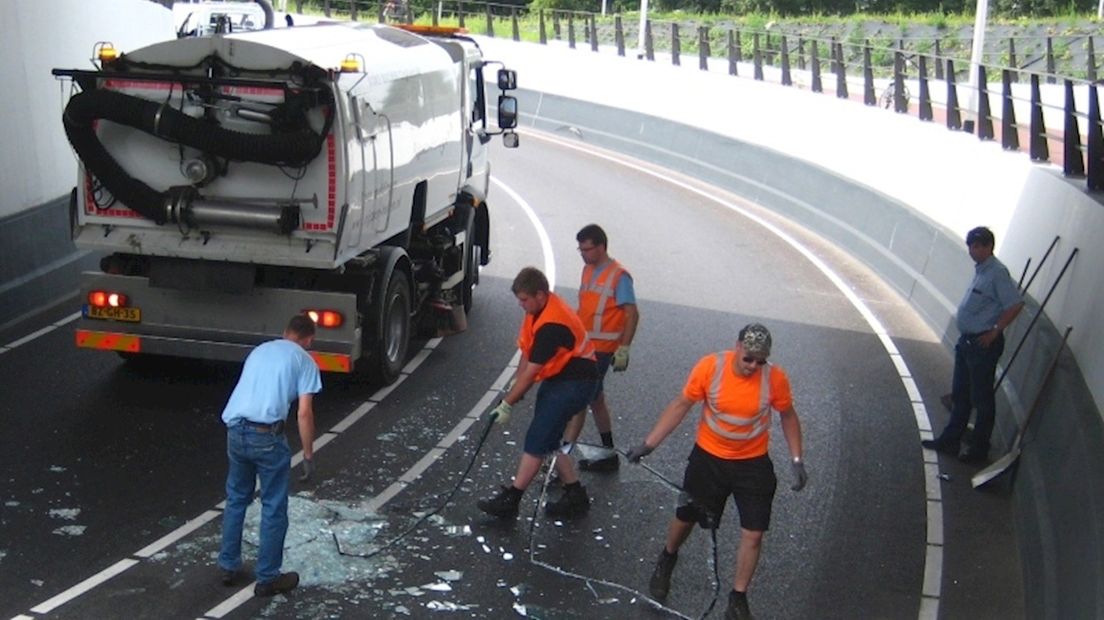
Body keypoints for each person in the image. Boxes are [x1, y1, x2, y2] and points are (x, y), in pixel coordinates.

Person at [627, 323, 806, 620]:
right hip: (708, 460)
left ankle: (737, 598)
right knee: (686, 518)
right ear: (737, 347)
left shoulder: (774, 379)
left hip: (753, 464)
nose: (753, 366)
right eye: (748, 358)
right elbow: (681, 404)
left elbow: (788, 415)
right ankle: (668, 557)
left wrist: (797, 459)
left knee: (754, 533)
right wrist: (649, 444)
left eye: (759, 361)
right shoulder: (711, 368)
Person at [477, 267, 600, 519]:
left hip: (576, 383)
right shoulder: (538, 312)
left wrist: (507, 403)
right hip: (563, 378)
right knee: (549, 437)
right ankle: (575, 495)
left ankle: (512, 499)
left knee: (538, 438)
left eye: (524, 299)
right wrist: (515, 387)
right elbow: (527, 351)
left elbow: (533, 371)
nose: (521, 305)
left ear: (540, 295)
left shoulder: (552, 324)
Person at [217, 314, 322, 597]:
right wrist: (308, 455)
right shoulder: (304, 360)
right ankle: (268, 577)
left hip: (235, 429)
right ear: (309, 339)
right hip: (266, 435)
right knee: (273, 505)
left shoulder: (260, 350)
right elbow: (304, 413)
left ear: (285, 332)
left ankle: (228, 565)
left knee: (237, 497)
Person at [922, 226, 1024, 465]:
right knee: (961, 394)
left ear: (989, 247)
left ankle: (979, 450)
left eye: (978, 246)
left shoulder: (997, 273)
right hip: (967, 342)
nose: (973, 250)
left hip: (982, 344)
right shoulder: (981, 271)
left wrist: (995, 331)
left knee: (982, 399)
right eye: (971, 245)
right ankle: (951, 440)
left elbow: (1014, 304)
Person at [562, 224, 639, 472]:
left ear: (601, 247)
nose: (583, 254)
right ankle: (608, 453)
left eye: (587, 249)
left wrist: (624, 348)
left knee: (579, 402)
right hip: (585, 347)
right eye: (580, 250)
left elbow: (632, 313)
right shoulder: (588, 269)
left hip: (603, 349)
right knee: (596, 399)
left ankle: (561, 461)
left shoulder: (619, 276)